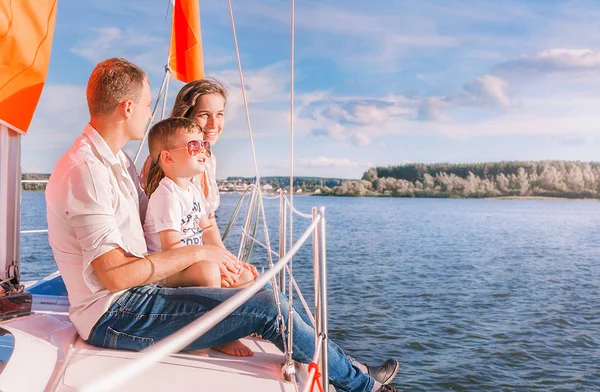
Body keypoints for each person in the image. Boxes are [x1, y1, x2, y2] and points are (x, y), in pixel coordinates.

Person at [45, 58, 400, 392]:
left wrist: (211, 261)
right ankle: (363, 385)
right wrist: (200, 252)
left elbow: (143, 239)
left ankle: (356, 374)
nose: (150, 112)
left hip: (136, 297)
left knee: (264, 297)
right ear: (127, 108)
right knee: (267, 308)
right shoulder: (86, 169)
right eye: (147, 104)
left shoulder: (116, 162)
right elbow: (115, 277)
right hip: (115, 314)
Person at [143, 117, 257, 356]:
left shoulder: (193, 190)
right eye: (193, 146)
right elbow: (171, 250)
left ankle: (232, 328)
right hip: (169, 270)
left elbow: (206, 229)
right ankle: (213, 337)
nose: (203, 151)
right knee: (209, 272)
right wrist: (214, 265)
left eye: (203, 145)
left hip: (193, 262)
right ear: (168, 158)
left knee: (244, 275)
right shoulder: (166, 195)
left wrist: (229, 263)